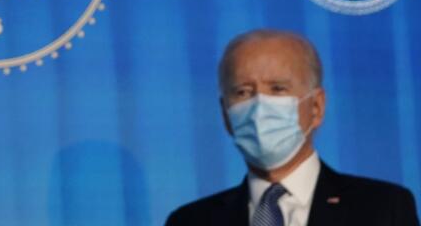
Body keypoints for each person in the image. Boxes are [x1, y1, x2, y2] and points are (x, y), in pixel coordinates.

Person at [166, 28, 419, 226]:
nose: (259, 106)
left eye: (278, 89)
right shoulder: (190, 221)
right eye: (243, 92)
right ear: (225, 115)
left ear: (316, 107)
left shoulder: (382, 209)